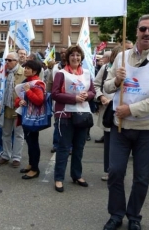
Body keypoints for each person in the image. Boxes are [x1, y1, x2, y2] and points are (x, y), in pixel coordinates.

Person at [103, 14, 149, 230]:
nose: (147, 33)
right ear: (136, 31)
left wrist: (131, 109)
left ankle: (134, 216)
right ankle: (116, 214)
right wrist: (116, 80)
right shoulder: (121, 57)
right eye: (143, 28)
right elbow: (105, 87)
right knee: (115, 171)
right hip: (120, 128)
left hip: (147, 130)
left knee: (141, 178)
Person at [52, 45, 95, 193]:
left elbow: (92, 91)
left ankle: (76, 175)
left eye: (78, 55)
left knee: (79, 147)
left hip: (82, 115)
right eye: (72, 55)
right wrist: (74, 98)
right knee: (64, 148)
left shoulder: (87, 73)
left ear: (81, 57)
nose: (75, 58)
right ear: (68, 58)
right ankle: (59, 178)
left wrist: (86, 96)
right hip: (66, 115)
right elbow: (55, 94)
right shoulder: (61, 73)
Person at [94, 47, 121, 182]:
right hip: (109, 112)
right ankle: (109, 171)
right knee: (109, 143)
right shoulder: (105, 68)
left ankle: (119, 170)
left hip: (127, 113)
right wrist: (101, 97)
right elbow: (96, 85)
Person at [16, 60, 45, 180]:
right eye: (25, 68)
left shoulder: (38, 83)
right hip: (25, 116)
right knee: (29, 141)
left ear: (35, 70)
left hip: (33, 118)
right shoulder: (26, 81)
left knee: (33, 143)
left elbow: (39, 100)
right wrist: (20, 102)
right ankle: (31, 163)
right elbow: (18, 100)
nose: (25, 70)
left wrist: (28, 91)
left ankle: (35, 169)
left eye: (28, 68)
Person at [0, 52, 25, 168]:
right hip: (6, 107)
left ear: (16, 61)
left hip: (19, 108)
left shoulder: (24, 73)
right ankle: (6, 155)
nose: (7, 62)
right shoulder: (3, 73)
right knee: (6, 133)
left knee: (18, 134)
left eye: (10, 60)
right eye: (6, 60)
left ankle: (16, 157)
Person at [47, 47, 67, 153]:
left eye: (65, 53)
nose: (63, 54)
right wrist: (48, 95)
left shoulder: (72, 66)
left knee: (69, 124)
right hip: (57, 98)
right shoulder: (55, 67)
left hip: (69, 98)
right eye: (62, 53)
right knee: (57, 122)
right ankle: (56, 144)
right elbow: (50, 82)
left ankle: (69, 146)